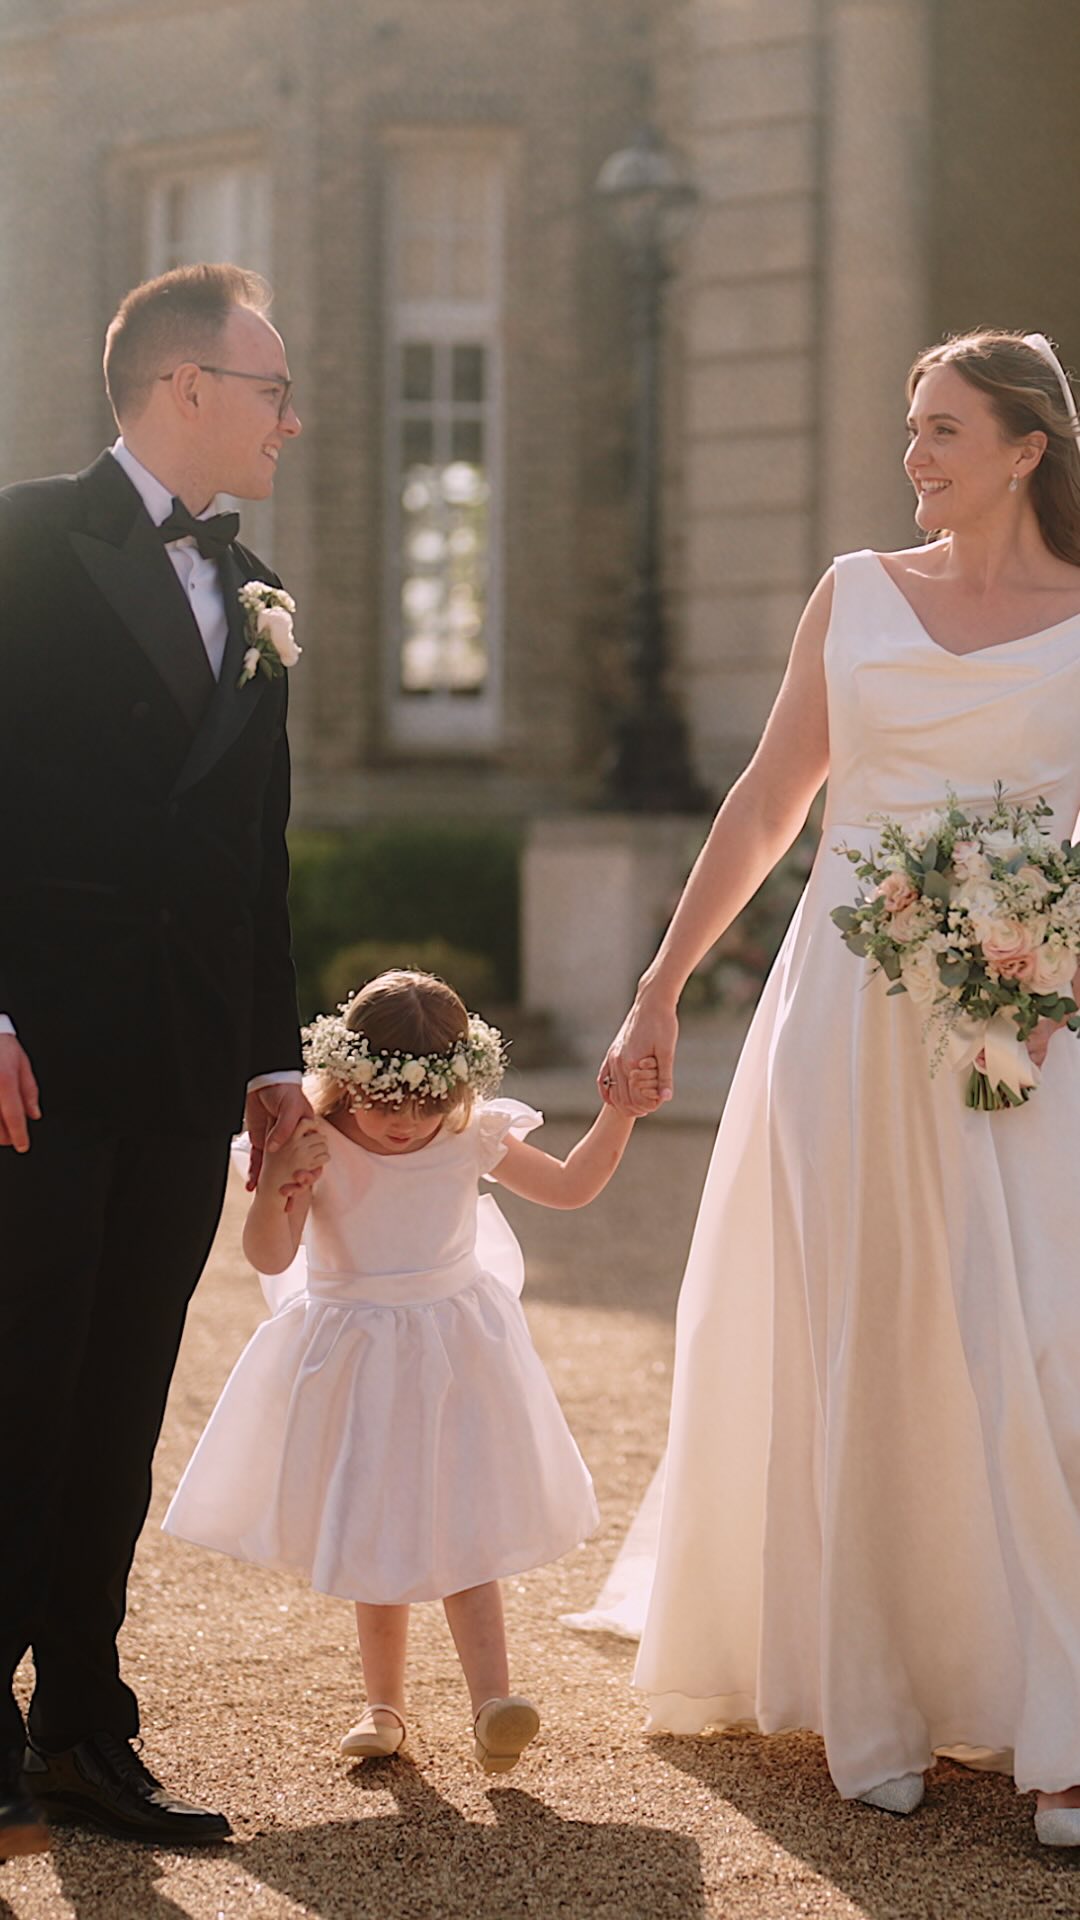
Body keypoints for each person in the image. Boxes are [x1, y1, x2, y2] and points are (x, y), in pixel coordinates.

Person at [596, 330, 1080, 1847]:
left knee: (1039, 1341)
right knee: (866, 1330)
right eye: (910, 430)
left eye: (944, 430)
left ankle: (1057, 1719)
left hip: (1030, 1012)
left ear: (1027, 448)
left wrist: (1049, 952)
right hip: (850, 1011)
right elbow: (766, 802)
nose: (915, 456)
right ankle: (874, 1697)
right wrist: (662, 983)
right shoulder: (854, 593)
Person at [0, 263, 311, 1856]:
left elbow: (256, 857)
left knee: (119, 1403)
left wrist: (275, 1069)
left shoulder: (257, 592)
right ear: (186, 387)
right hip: (29, 1062)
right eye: (271, 388)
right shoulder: (20, 538)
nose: (290, 417)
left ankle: (81, 1732)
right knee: (17, 1386)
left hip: (186, 1069)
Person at [164, 969, 657, 1773]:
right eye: (386, 1102)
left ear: (458, 1086)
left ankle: (492, 1701)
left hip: (456, 1351)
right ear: (346, 1076)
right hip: (359, 1352)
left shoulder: (471, 1136)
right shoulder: (316, 1140)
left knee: (463, 1522)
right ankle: (384, 1706)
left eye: (428, 1103)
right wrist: (280, 1184)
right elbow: (269, 1255)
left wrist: (620, 1112)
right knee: (376, 1520)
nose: (406, 1124)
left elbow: (571, 1187)